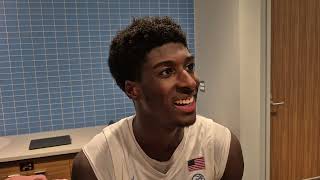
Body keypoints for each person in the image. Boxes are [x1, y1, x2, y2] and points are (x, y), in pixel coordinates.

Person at [72, 16, 244, 180]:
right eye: (166, 71)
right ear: (132, 90)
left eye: (189, 66)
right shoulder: (96, 165)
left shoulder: (222, 147)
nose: (191, 83)